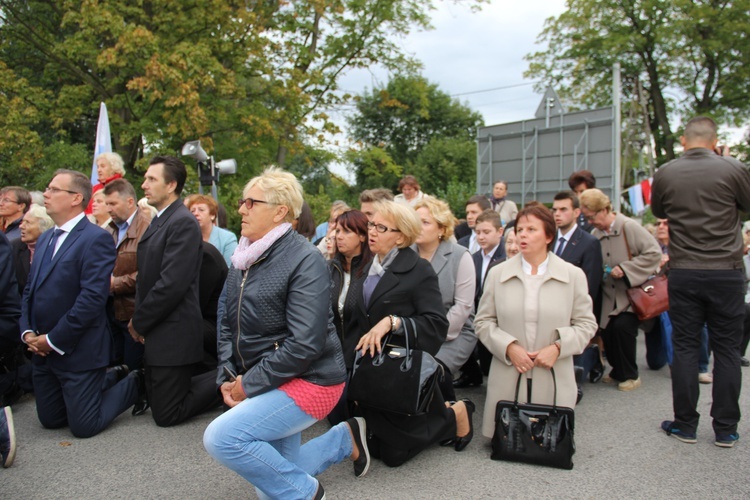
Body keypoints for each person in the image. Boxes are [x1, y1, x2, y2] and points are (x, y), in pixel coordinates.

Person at [203, 168, 364, 499]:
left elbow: (305, 344)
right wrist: (227, 374)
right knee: (272, 484)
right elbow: (224, 321)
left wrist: (248, 384)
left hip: (313, 380)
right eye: (241, 201)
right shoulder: (243, 255)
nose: (241, 209)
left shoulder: (305, 259)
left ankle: (308, 492)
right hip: (268, 377)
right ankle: (343, 440)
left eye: (251, 202)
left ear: (280, 211)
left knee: (222, 438)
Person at [651, 116, 750, 447]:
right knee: (727, 349)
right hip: (726, 270)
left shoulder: (666, 172)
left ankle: (685, 424)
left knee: (686, 346)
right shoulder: (733, 168)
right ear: (714, 140)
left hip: (685, 269)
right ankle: (725, 428)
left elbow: (659, 209)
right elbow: (747, 209)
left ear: (683, 141)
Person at [353, 200, 474, 466]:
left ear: (401, 237)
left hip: (397, 370)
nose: (372, 231)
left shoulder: (419, 270)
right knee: (381, 450)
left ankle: (455, 414)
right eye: (372, 224)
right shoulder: (366, 265)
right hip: (369, 368)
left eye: (381, 228)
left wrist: (392, 322)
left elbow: (435, 324)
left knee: (394, 457)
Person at [20, 169, 140, 438]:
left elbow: (91, 299)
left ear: (76, 198)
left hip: (77, 350)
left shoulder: (94, 239)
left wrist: (52, 340)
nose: (46, 194)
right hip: (43, 352)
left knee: (84, 427)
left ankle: (135, 382)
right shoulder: (46, 238)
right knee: (51, 420)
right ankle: (107, 378)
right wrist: (27, 332)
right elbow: (30, 290)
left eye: (53, 189)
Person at [475, 203, 597, 440]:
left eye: (531, 229)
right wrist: (508, 347)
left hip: (552, 372)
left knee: (549, 442)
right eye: (520, 229)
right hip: (509, 369)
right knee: (506, 440)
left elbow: (586, 324)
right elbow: (483, 321)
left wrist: (558, 347)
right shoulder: (498, 273)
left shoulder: (572, 275)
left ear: (548, 236)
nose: (523, 235)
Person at [130, 156, 221, 426]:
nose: (144, 184)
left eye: (152, 179)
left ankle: (230, 379)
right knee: (161, 405)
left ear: (171, 185)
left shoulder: (181, 222)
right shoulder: (163, 220)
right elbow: (146, 278)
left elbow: (171, 284)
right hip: (160, 332)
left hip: (173, 334)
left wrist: (140, 322)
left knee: (167, 414)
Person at [579, 188, 661, 392]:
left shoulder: (629, 227)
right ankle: (617, 370)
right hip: (609, 297)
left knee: (622, 328)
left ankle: (630, 374)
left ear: (605, 209)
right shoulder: (596, 234)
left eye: (592, 217)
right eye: (587, 218)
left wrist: (626, 269)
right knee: (606, 332)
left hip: (631, 296)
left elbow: (653, 253)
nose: (590, 222)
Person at [413, 197, 477, 391]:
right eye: (416, 222)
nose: (418, 227)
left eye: (425, 222)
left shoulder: (460, 256)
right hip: (413, 331)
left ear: (441, 229)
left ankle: (453, 414)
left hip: (452, 333)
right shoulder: (404, 253)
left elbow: (463, 307)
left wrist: (427, 336)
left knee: (428, 373)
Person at [552, 191, 604, 401]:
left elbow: (591, 284)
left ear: (576, 212)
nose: (557, 214)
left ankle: (584, 365)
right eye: (554, 210)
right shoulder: (549, 238)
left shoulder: (589, 242)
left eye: (563, 209)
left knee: (570, 348)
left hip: (572, 305)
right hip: (549, 302)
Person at [328, 209, 373, 425]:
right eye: (337, 230)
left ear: (362, 236)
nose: (339, 236)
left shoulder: (373, 271)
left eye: (346, 231)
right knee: (336, 415)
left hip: (361, 356)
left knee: (350, 415)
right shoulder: (330, 269)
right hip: (331, 355)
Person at [103, 179, 151, 371]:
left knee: (133, 370)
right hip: (110, 311)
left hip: (133, 311)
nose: (108, 209)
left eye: (113, 203)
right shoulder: (109, 230)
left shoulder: (147, 228)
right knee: (114, 367)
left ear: (130, 202)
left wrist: (117, 283)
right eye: (106, 204)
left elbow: (151, 272)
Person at [455, 210, 505, 389]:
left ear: (500, 232)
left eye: (486, 232)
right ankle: (472, 375)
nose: (481, 237)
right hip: (475, 310)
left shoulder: (506, 256)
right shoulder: (473, 257)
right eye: (478, 232)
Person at [11, 205, 54, 296]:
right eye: (22, 222)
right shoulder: (14, 246)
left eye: (28, 223)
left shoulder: (55, 248)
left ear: (44, 227)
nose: (21, 226)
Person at [186, 194, 238, 267]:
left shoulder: (227, 238)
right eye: (192, 211)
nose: (196, 213)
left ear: (212, 215)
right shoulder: (185, 238)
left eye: (201, 210)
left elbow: (231, 271)